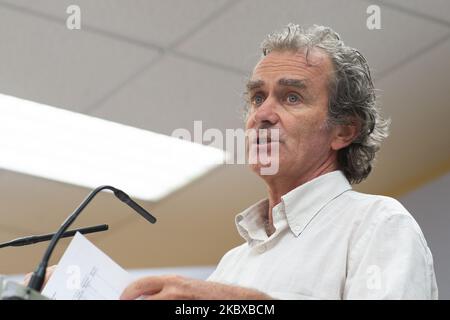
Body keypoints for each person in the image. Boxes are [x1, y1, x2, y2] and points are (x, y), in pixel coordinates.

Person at [26, 24, 438, 300]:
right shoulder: (233, 264)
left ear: (343, 130)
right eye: (258, 97)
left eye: (291, 97)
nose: (263, 113)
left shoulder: (378, 224)